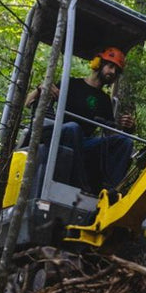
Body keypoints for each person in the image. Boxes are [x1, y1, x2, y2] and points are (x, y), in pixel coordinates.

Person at [25, 47, 136, 195]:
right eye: (110, 66)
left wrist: (128, 128)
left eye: (116, 70)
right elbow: (28, 102)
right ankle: (81, 185)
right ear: (98, 63)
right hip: (59, 134)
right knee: (73, 128)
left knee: (125, 141)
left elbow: (110, 133)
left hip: (83, 142)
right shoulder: (71, 84)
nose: (113, 72)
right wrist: (40, 89)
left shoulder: (104, 100)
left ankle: (110, 191)